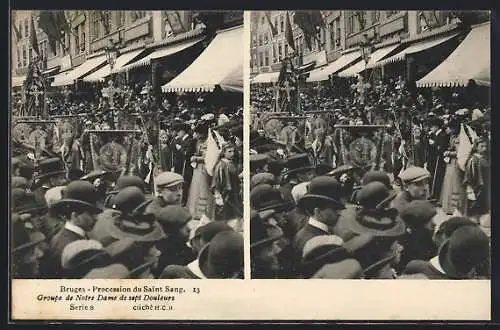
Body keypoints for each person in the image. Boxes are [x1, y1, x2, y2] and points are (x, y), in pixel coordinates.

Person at [45, 180, 103, 278]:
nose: (96, 218)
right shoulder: (66, 245)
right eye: (91, 214)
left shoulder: (69, 237)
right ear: (75, 216)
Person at [186, 122, 215, 221]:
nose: (197, 135)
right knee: (196, 188)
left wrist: (196, 158)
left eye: (198, 133)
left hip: (204, 167)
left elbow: (207, 157)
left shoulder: (208, 143)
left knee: (203, 188)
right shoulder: (198, 142)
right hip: (197, 168)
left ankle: (202, 212)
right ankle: (194, 210)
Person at [211, 143, 242, 221]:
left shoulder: (231, 163)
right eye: (229, 151)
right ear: (223, 153)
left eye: (233, 151)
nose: (232, 154)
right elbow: (217, 181)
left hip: (234, 192)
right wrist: (218, 194)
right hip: (226, 194)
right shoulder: (221, 165)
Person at [464, 137, 490, 223]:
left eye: (486, 146)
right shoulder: (473, 160)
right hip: (475, 186)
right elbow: (470, 175)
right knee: (474, 204)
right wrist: (471, 188)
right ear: (476, 147)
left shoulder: (485, 158)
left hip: (485, 185)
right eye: (482, 146)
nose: (484, 149)